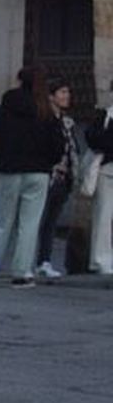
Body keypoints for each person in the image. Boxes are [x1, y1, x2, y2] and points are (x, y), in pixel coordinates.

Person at [0, 67, 60, 287]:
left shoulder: (3, 110)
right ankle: (22, 271)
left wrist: (0, 157)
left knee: (1, 221)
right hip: (38, 172)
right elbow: (57, 145)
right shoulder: (45, 112)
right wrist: (48, 162)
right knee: (29, 223)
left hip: (8, 170)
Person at [34, 76, 80, 278]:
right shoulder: (45, 120)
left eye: (67, 92)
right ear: (51, 97)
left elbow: (72, 149)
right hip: (49, 175)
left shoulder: (67, 123)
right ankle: (32, 259)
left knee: (51, 221)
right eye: (62, 92)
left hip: (63, 179)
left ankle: (44, 260)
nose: (66, 96)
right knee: (38, 220)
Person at [88, 85, 113, 274]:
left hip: (108, 167)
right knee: (104, 216)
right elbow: (95, 140)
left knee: (104, 215)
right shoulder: (105, 116)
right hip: (108, 170)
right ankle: (100, 260)